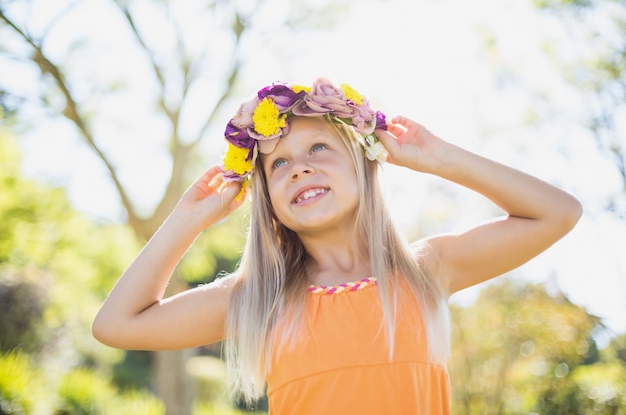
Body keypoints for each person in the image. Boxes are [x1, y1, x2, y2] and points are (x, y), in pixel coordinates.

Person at [92, 78, 582, 414]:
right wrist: (187, 221)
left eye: (318, 148)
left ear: (364, 165)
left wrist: (439, 158)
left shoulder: (426, 270)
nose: (299, 167)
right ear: (269, 201)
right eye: (278, 164)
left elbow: (558, 212)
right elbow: (115, 325)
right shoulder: (259, 298)